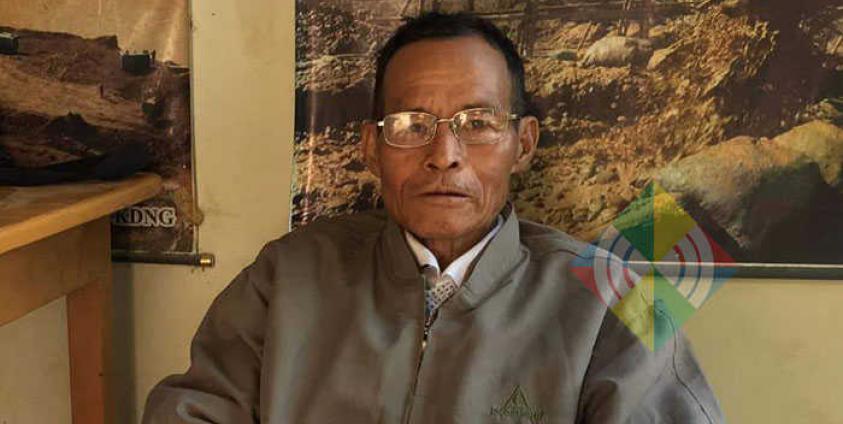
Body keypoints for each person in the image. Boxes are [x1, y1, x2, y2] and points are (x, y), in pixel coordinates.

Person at [143, 12, 724, 423]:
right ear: (370, 148)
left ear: (523, 144)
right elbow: (192, 411)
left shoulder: (616, 297)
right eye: (410, 125)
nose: (444, 155)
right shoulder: (287, 276)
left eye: (478, 123)